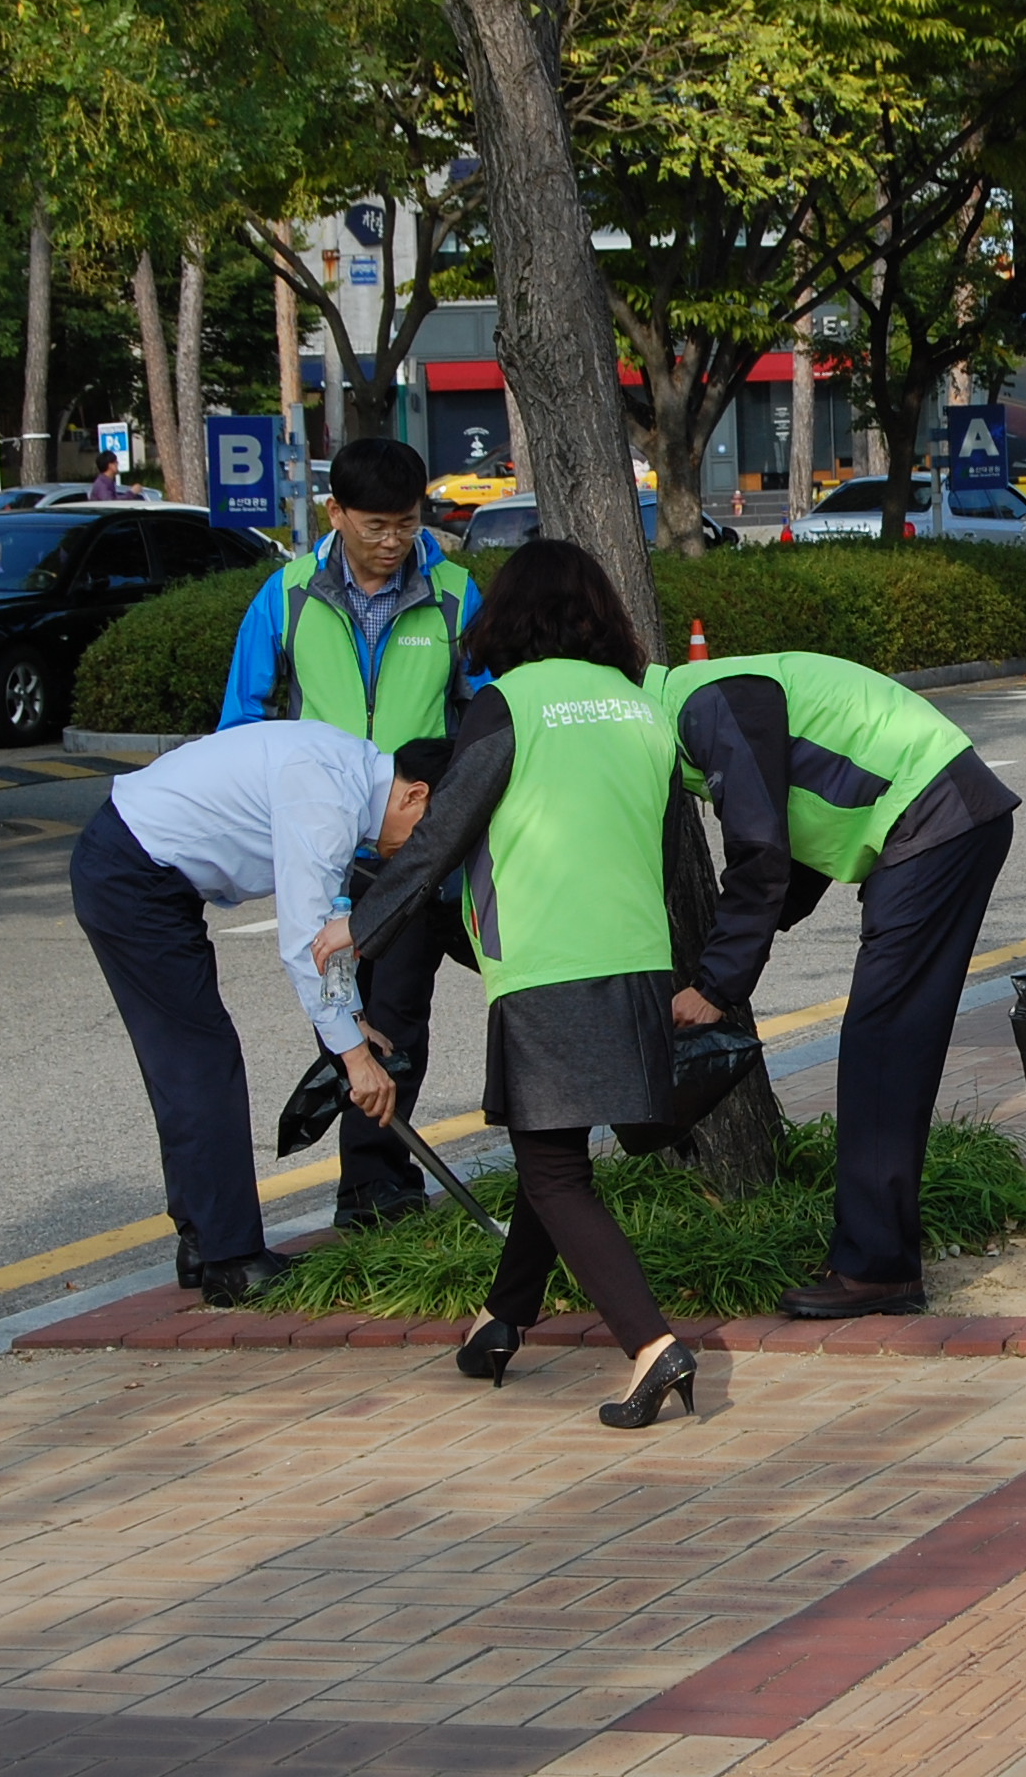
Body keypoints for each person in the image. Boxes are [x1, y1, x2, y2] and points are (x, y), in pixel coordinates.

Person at [330, 540, 697, 1426]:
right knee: (553, 1153)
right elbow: (684, 855)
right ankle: (503, 1320)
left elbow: (440, 835)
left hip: (544, 967)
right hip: (640, 960)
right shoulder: (643, 706)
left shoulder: (507, 705)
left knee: (554, 1167)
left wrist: (360, 926)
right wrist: (702, 976)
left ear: (512, 617)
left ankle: (652, 1348)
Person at [667, 650, 1019, 1317]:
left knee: (882, 1045)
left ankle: (879, 1268)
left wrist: (715, 985)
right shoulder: (703, 697)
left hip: (933, 818)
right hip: (937, 815)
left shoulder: (703, 704)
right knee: (884, 1043)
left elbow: (760, 847)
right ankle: (875, 1255)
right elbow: (796, 828)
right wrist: (751, 939)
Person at [71, 721, 445, 1305]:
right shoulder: (327, 794)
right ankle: (232, 1261)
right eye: (429, 838)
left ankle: (205, 1239)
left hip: (140, 869)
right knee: (198, 1062)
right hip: (132, 873)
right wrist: (353, 1057)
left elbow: (328, 924)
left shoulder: (346, 777)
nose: (424, 855)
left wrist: (354, 1019)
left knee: (188, 1062)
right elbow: (304, 940)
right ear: (415, 793)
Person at [220, 437, 484, 1229]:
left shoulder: (454, 597)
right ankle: (369, 1180)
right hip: (321, 847)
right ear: (333, 514)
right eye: (375, 525)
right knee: (340, 1011)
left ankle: (375, 1194)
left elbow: (489, 715)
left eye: (407, 523)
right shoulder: (288, 595)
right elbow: (243, 720)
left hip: (412, 850)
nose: (393, 540)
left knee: (396, 1017)